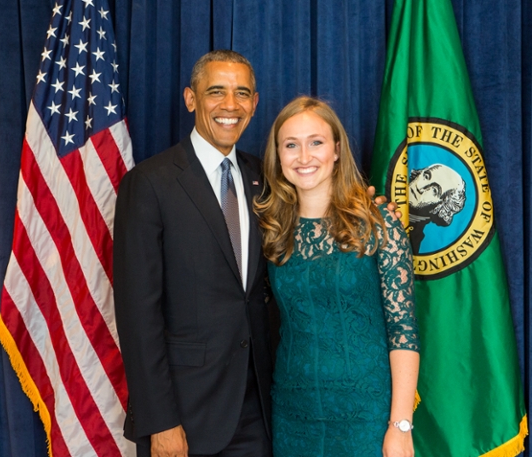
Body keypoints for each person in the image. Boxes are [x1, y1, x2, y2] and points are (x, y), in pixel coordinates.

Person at [113, 50, 273, 457]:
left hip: (262, 411)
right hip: (184, 415)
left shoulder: (267, 180)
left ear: (255, 104)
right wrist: (159, 421)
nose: (230, 106)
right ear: (191, 99)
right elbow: (137, 313)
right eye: (216, 92)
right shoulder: (149, 184)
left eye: (242, 94)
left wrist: (376, 211)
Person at [254, 96, 420, 457]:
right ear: (278, 156)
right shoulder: (270, 229)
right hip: (293, 413)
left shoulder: (379, 223)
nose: (304, 156)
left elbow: (403, 329)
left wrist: (400, 425)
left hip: (367, 415)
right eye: (291, 145)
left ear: (337, 150)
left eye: (316, 142)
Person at [408, 164, 466, 252]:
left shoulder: (413, 245)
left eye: (434, 190)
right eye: (426, 176)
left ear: (440, 207)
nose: (420, 187)